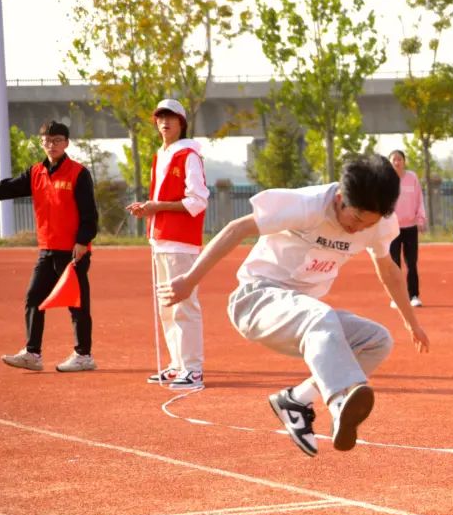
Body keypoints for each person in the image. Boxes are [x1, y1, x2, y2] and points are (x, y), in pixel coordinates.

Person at [157, 154, 430, 457]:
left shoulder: (379, 224)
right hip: (256, 300)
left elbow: (389, 270)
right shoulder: (307, 205)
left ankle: (296, 400)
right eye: (355, 220)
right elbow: (237, 228)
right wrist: (189, 280)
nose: (357, 230)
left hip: (304, 314)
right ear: (340, 198)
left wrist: (412, 323)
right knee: (320, 316)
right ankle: (339, 404)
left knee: (377, 340)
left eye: (368, 224)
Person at [0, 121, 98, 372]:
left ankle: (84, 355)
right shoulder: (36, 172)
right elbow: (6, 188)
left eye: (57, 140)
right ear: (41, 143)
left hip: (73, 251)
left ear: (66, 143)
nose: (52, 145)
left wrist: (83, 240)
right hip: (47, 250)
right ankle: (32, 354)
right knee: (34, 298)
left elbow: (89, 213)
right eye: (47, 141)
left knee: (77, 303)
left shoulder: (78, 173)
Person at [127, 99, 209, 390]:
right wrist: (148, 209)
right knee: (166, 306)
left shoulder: (188, 155)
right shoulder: (160, 155)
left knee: (184, 304)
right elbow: (163, 200)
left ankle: (193, 370)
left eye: (171, 117)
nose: (165, 122)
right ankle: (178, 364)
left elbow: (197, 201)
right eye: (160, 117)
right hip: (160, 239)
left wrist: (157, 206)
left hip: (181, 241)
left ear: (181, 123)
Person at [387, 150, 426, 307]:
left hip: (410, 227)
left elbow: (419, 199)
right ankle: (397, 297)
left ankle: (414, 295)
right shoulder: (386, 180)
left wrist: (421, 219)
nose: (397, 162)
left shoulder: (412, 177)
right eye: (394, 160)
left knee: (411, 263)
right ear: (390, 163)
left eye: (400, 159)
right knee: (394, 264)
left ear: (404, 161)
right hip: (392, 228)